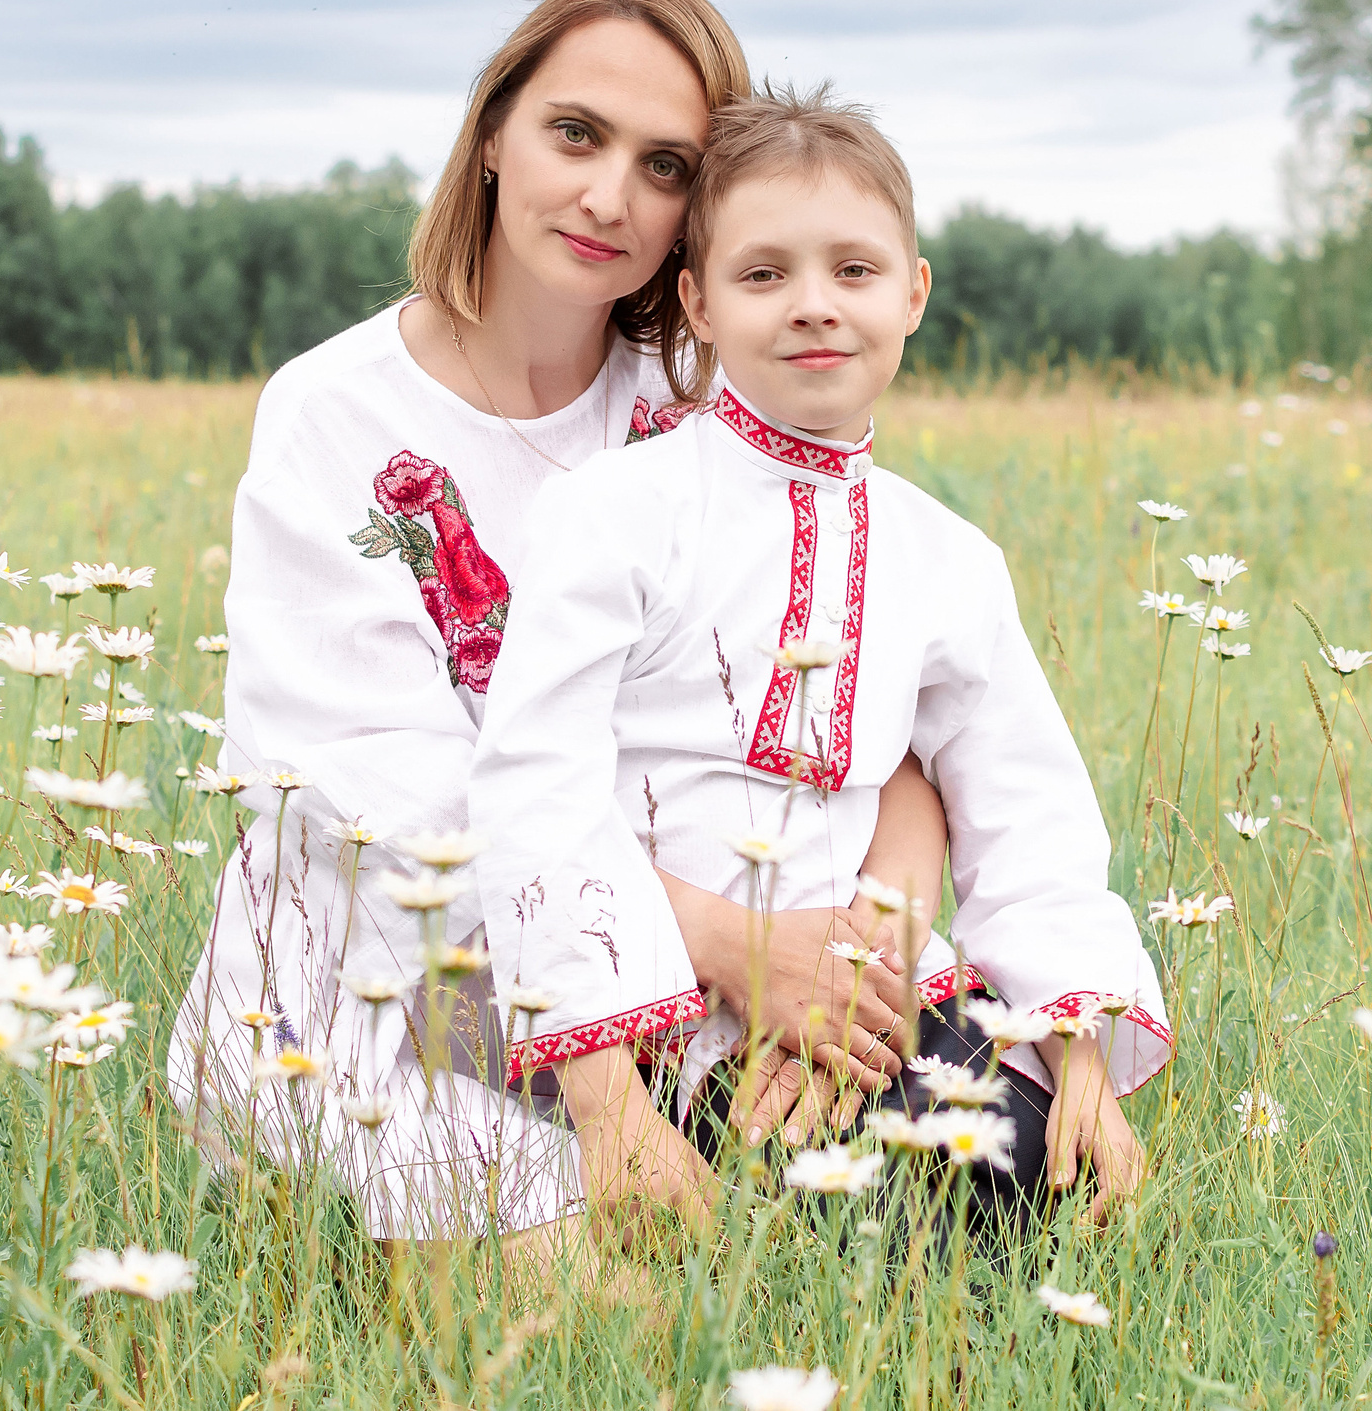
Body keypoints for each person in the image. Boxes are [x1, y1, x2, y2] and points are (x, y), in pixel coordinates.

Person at [165, 0, 950, 1259]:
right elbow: (387, 818)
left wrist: (864, 950)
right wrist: (732, 941)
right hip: (376, 1001)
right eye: (575, 134)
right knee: (618, 1313)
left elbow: (885, 713)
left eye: (665, 166)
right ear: (491, 134)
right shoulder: (336, 417)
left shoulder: (709, 405)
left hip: (685, 999)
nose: (607, 196)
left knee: (893, 1243)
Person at [469, 84, 1172, 1238]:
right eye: (762, 275)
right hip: (661, 998)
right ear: (693, 301)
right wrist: (603, 1103)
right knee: (853, 1212)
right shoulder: (619, 511)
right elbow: (537, 787)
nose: (813, 308)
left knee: (1023, 1168)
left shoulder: (946, 556)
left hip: (879, 988)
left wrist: (1081, 1053)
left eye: (853, 271)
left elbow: (1023, 801)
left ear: (913, 291)